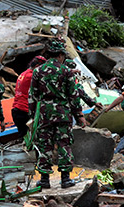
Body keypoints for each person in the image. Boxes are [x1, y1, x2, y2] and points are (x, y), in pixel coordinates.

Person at [30, 40, 87, 189]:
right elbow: (73, 95)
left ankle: (44, 179)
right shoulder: (66, 71)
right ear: (60, 55)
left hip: (44, 114)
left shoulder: (37, 71)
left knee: (45, 145)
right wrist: (79, 115)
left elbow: (33, 95)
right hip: (63, 113)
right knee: (64, 144)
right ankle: (66, 179)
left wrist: (33, 114)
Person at [12, 56, 47, 138]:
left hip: (17, 109)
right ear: (37, 66)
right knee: (34, 138)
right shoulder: (31, 76)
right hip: (24, 111)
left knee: (25, 138)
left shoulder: (23, 74)